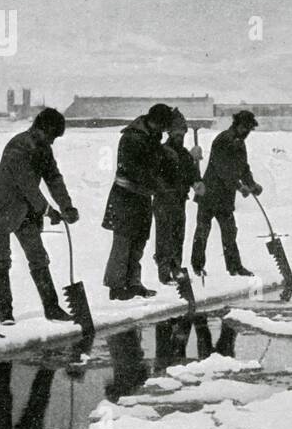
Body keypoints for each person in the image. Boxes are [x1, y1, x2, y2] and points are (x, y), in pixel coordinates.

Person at [0, 106, 78, 325]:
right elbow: (27, 185)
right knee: (1, 260)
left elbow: (54, 178)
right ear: (40, 128)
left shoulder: (44, 148)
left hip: (25, 211)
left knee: (38, 257)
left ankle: (51, 308)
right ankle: (5, 313)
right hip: (0, 209)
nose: (52, 142)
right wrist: (49, 210)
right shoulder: (18, 146)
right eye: (51, 136)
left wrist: (67, 206)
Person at [101, 103, 175, 300]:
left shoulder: (151, 136)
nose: (164, 131)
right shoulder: (132, 138)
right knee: (123, 241)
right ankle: (116, 287)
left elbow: (156, 164)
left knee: (139, 241)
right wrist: (159, 185)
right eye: (163, 126)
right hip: (125, 196)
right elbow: (134, 170)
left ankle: (133, 283)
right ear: (156, 122)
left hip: (141, 195)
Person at [192, 110, 263, 279]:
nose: (247, 132)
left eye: (249, 129)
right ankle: (197, 267)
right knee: (203, 230)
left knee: (230, 231)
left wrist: (252, 184)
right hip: (210, 194)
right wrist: (239, 187)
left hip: (224, 197)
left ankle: (234, 267)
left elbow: (243, 167)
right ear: (237, 125)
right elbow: (222, 169)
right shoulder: (223, 140)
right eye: (245, 128)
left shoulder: (240, 142)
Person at [152, 109, 204, 284]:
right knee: (165, 237)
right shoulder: (161, 151)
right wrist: (190, 156)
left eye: (182, 133)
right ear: (169, 132)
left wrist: (197, 183)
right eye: (176, 132)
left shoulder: (183, 153)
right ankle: (164, 272)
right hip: (163, 201)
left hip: (180, 200)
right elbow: (168, 171)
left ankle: (176, 268)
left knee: (178, 236)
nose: (180, 136)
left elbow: (190, 174)